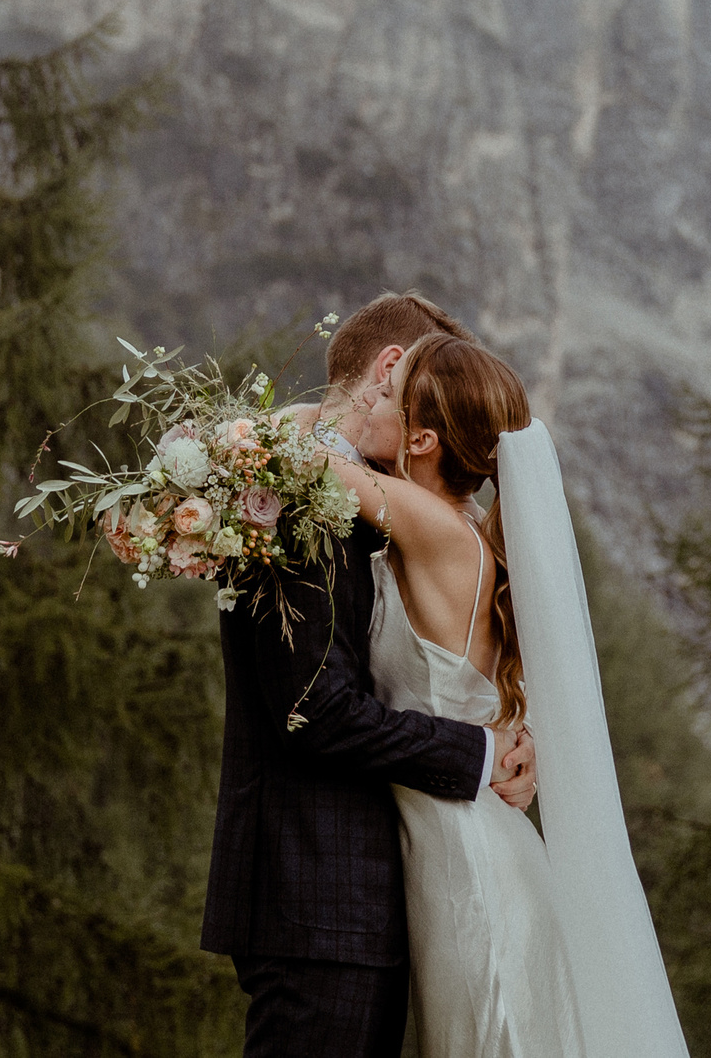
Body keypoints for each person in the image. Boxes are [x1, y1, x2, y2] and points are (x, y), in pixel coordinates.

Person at [329, 332, 695, 1058]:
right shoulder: (470, 537)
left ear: (423, 438)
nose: (371, 395)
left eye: (388, 390)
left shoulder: (434, 528)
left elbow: (306, 457)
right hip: (475, 850)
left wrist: (301, 412)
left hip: (470, 875)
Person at [201, 293, 537, 1058]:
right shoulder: (297, 508)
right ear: (389, 369)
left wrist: (237, 437)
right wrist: (489, 750)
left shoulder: (395, 515)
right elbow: (313, 705)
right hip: (319, 896)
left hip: (385, 889)